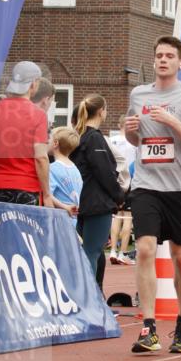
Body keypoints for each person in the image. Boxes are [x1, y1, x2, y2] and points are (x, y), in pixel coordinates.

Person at [125, 36, 181, 354]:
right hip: (146, 185)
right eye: (159, 55)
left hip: (180, 187)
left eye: (169, 56)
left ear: (180, 62)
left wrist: (173, 121)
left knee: (179, 256)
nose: (163, 60)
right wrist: (129, 129)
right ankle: (148, 327)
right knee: (145, 250)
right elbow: (136, 140)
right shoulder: (139, 94)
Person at [0, 61, 70, 209]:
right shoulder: (38, 115)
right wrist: (46, 195)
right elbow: (41, 158)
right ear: (33, 84)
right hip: (27, 188)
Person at [71, 94, 126, 281]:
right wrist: (120, 196)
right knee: (91, 253)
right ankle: (90, 301)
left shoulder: (80, 136)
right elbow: (104, 172)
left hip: (82, 201)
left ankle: (85, 297)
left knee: (84, 253)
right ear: (102, 111)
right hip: (96, 203)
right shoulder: (94, 139)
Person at [108, 115, 135, 265]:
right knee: (127, 218)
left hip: (115, 180)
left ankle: (112, 249)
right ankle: (122, 252)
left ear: (119, 125)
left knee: (116, 216)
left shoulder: (112, 141)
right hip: (129, 180)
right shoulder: (133, 144)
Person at [49, 127, 83, 226]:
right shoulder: (76, 170)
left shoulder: (52, 168)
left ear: (55, 143)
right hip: (73, 221)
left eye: (49, 139)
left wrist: (65, 207)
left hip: (58, 221)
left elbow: (48, 195)